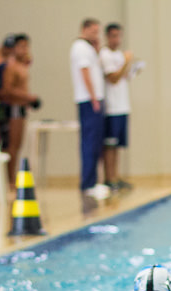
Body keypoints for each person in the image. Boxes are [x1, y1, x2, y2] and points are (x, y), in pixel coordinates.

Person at [70, 18, 108, 200]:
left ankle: (93, 181)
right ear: (84, 29)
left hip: (94, 99)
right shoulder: (80, 48)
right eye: (93, 32)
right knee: (90, 142)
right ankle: (88, 183)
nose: (96, 35)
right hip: (88, 100)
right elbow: (84, 73)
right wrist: (94, 98)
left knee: (96, 142)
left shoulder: (88, 48)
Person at [99, 22, 140, 192]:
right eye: (114, 36)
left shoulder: (119, 55)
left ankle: (115, 176)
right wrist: (126, 62)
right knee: (109, 145)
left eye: (119, 36)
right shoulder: (105, 54)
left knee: (118, 146)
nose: (117, 39)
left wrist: (133, 68)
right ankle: (108, 178)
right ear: (108, 36)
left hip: (123, 106)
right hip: (111, 108)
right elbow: (113, 78)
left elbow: (125, 77)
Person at [0, 33, 40, 183]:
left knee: (18, 145)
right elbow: (7, 90)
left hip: (21, 107)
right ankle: (9, 180)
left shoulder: (22, 64)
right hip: (13, 108)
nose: (24, 50)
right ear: (14, 48)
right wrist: (27, 97)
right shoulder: (11, 66)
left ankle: (11, 177)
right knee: (12, 145)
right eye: (21, 47)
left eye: (26, 47)